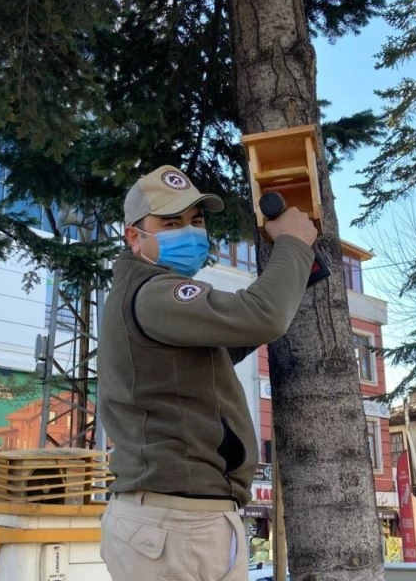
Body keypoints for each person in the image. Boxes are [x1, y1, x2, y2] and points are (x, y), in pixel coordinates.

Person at [97, 165, 317, 581]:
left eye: (196, 222)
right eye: (171, 222)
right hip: (175, 523)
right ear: (134, 235)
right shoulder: (154, 292)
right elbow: (263, 316)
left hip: (180, 520)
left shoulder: (144, 295)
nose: (190, 232)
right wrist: (292, 243)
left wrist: (292, 279)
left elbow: (220, 346)